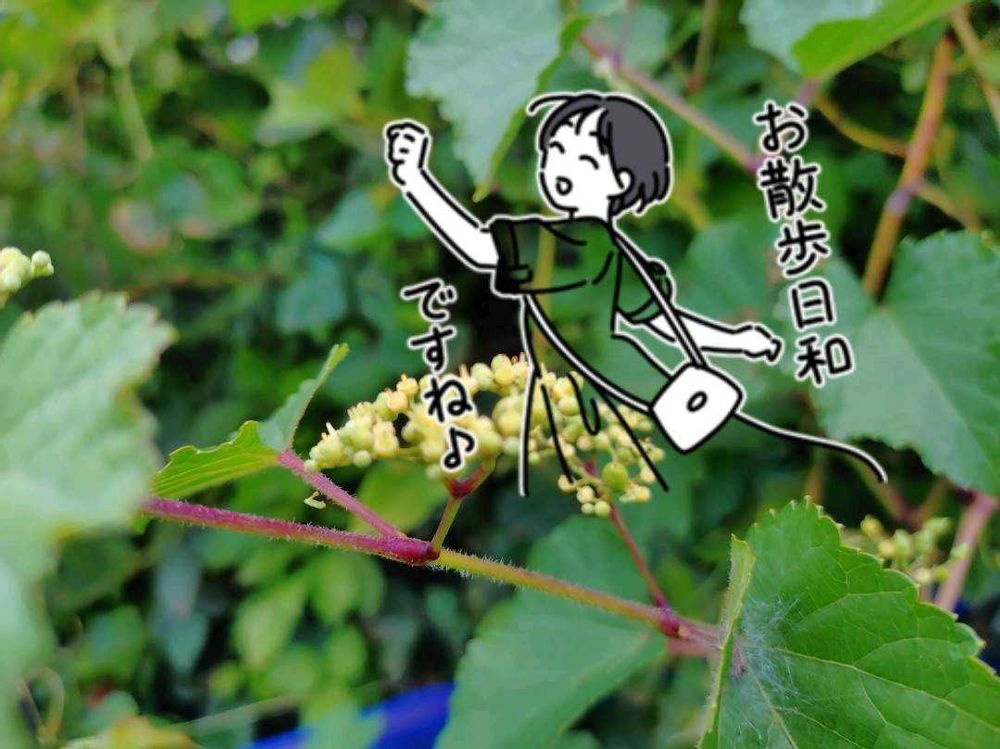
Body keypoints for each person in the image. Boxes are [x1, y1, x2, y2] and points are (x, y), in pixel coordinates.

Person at [384, 90, 885, 495]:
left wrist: (416, 180)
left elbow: (478, 247)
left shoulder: (581, 242)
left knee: (639, 433)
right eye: (555, 152)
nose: (559, 167)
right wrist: (735, 341)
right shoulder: (607, 245)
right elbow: (664, 321)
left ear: (621, 180)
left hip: (609, 388)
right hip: (612, 388)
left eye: (581, 159)